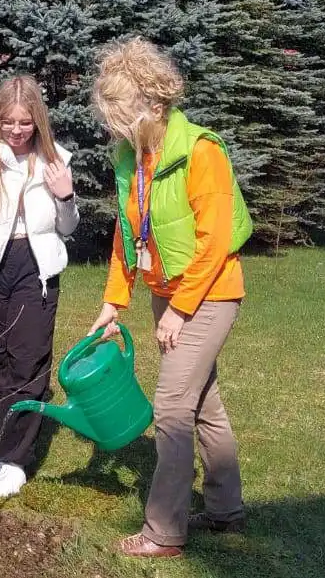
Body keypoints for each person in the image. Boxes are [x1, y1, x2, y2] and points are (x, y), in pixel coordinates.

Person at [87, 37, 252, 559]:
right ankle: (225, 510)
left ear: (156, 106)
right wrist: (114, 302)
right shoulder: (132, 158)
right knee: (203, 402)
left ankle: (163, 532)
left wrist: (180, 311)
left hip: (209, 294)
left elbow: (215, 241)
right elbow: (126, 235)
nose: (117, 130)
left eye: (124, 118)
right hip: (168, 293)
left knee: (172, 408)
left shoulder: (202, 152)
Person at [0, 75, 78, 498]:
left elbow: (68, 228)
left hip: (35, 268)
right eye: (8, 122)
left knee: (28, 361)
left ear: (37, 120)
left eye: (25, 122)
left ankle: (15, 459)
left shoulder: (54, 160)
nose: (16, 131)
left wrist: (65, 196)